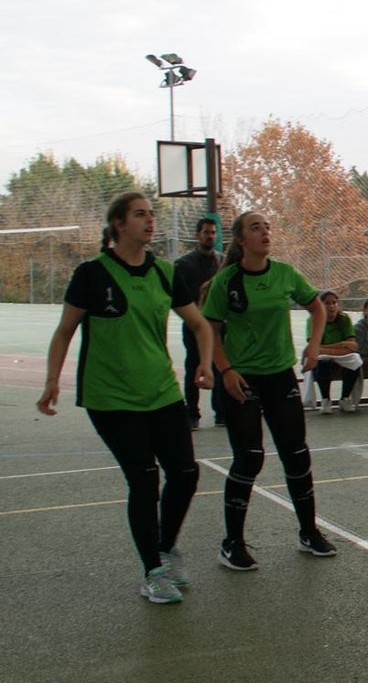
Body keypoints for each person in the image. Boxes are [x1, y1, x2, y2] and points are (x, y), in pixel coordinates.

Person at [36, 191, 213, 604]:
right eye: (139, 215)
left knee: (185, 474)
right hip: (111, 397)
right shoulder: (92, 274)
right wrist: (51, 381)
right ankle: (152, 571)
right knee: (144, 479)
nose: (149, 221)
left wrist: (205, 363)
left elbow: (201, 325)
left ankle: (164, 549)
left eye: (151, 215)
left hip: (161, 391)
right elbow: (65, 331)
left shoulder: (165, 273)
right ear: (118, 224)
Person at [202, 211, 337, 570]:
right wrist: (225, 370)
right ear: (241, 240)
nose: (265, 232)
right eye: (255, 228)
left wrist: (314, 346)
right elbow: (209, 330)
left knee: (296, 454)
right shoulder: (227, 281)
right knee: (249, 457)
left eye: (267, 227)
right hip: (242, 379)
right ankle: (232, 543)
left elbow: (316, 306)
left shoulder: (285, 274)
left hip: (280, 377)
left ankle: (308, 532)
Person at [174, 216, 225, 429]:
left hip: (218, 325)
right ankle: (192, 414)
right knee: (193, 366)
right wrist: (194, 319)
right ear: (198, 235)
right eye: (206, 232)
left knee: (220, 365)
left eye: (213, 232)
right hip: (194, 326)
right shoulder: (183, 264)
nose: (210, 236)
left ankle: (221, 412)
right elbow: (177, 299)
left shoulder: (223, 262)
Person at [305, 289, 361, 414]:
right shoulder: (313, 320)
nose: (331, 306)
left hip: (340, 354)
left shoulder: (344, 319)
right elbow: (314, 348)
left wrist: (329, 349)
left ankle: (345, 398)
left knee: (356, 360)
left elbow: (353, 346)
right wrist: (342, 345)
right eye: (327, 303)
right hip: (323, 355)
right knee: (322, 362)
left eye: (334, 302)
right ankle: (326, 400)